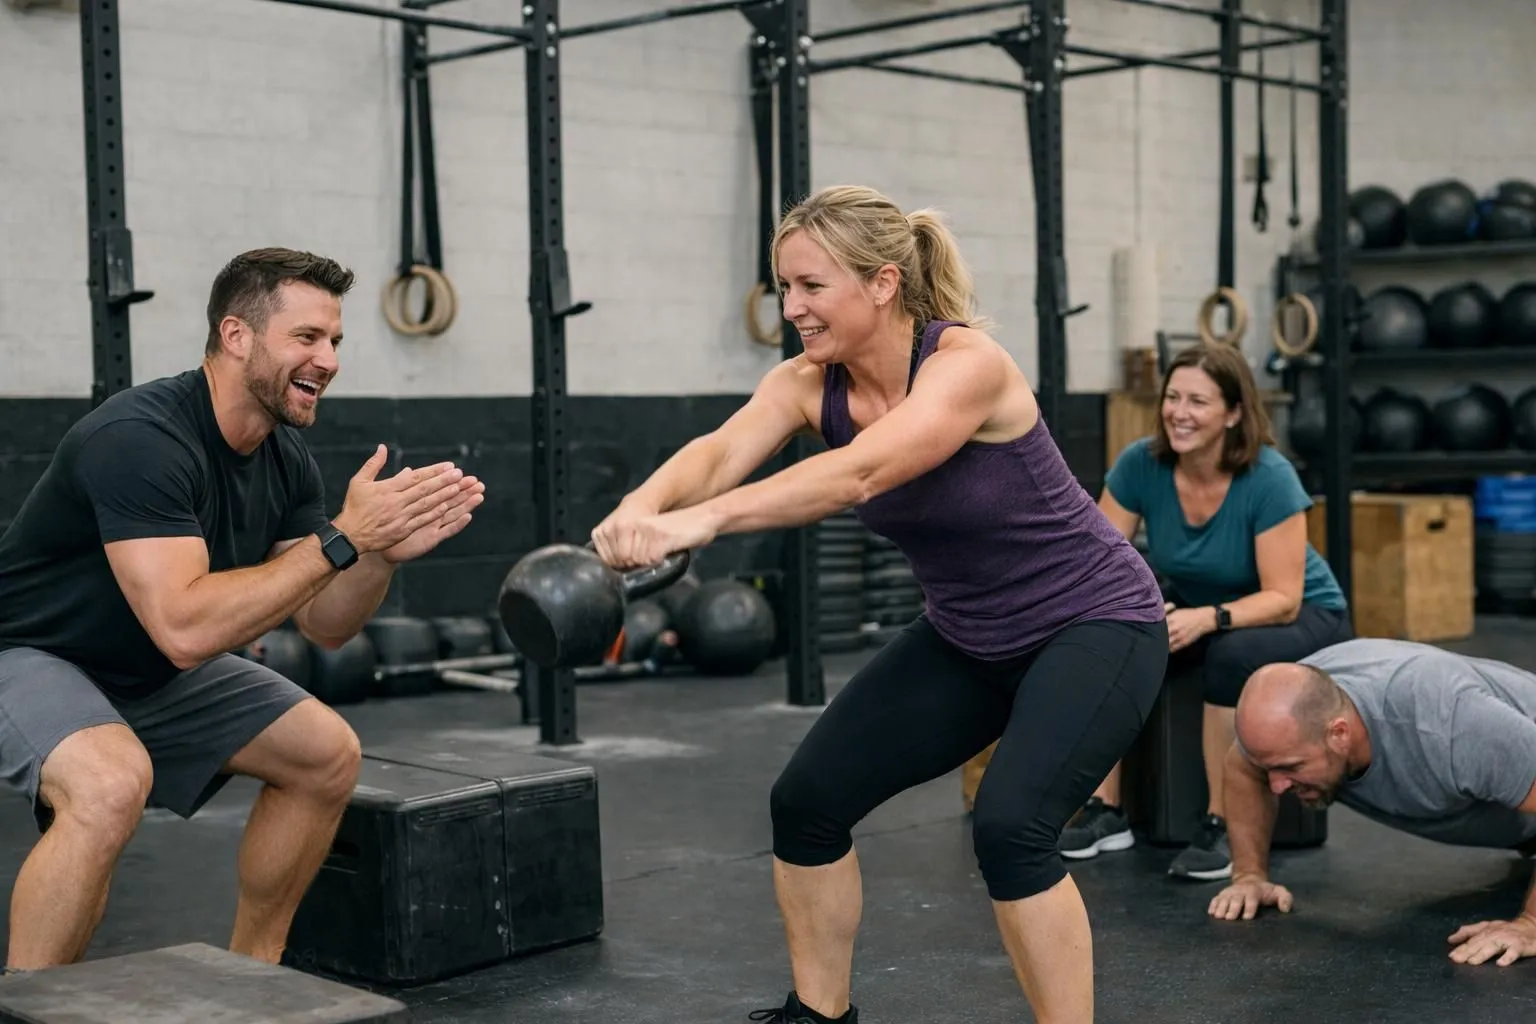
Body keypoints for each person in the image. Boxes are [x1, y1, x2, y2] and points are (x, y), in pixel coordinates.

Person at [590, 184, 1169, 1024]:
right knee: (808, 801)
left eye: (811, 287)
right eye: (784, 287)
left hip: (1095, 623)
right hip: (969, 637)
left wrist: (700, 523)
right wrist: (641, 508)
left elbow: (860, 472)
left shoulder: (967, 366)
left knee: (1010, 830)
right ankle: (820, 1015)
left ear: (884, 283)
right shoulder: (805, 384)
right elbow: (718, 452)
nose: (793, 308)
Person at [0, 248, 484, 973]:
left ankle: (254, 979)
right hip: (33, 652)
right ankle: (29, 1002)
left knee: (326, 755)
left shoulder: (286, 458)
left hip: (148, 663)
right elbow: (187, 627)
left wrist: (377, 553)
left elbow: (324, 624)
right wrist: (345, 538)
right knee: (109, 783)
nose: (329, 359)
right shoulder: (140, 439)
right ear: (236, 337)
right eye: (307, 338)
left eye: (335, 341)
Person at [1057, 343, 1352, 881]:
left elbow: (1282, 598)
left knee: (1229, 655)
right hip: (1208, 607)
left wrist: (1208, 618)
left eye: (1198, 401)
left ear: (1233, 413)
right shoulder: (1140, 465)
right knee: (1111, 641)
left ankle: (1220, 821)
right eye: (1173, 397)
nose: (1179, 412)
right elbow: (1098, 562)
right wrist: (1133, 613)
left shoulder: (1269, 477)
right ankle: (1106, 810)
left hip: (1303, 612)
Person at [1209, 639, 1536, 967]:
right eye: (1271, 768)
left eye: (1291, 768)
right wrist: (1249, 876)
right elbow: (1243, 766)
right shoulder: (1293, 716)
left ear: (1339, 733)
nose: (1277, 786)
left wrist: (1532, 926)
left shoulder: (1449, 724)